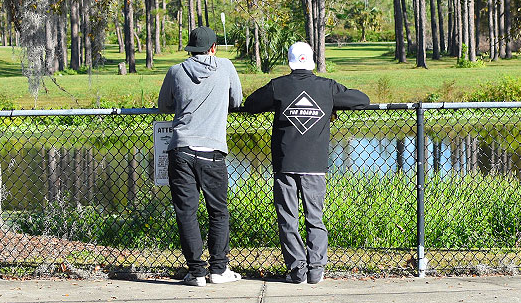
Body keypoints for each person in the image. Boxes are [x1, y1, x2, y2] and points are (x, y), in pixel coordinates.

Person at [243, 41, 370, 284]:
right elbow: (361, 99)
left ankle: (297, 271)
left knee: (287, 218)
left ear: (290, 62)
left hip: (285, 163)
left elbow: (251, 104)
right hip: (315, 165)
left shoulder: (278, 86)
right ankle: (316, 270)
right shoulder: (327, 87)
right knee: (315, 218)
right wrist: (332, 103)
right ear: (311, 61)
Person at [157, 26, 244, 286]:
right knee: (218, 211)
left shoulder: (175, 71)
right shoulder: (226, 67)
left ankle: (196, 272)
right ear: (213, 47)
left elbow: (164, 105)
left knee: (186, 212)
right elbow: (237, 100)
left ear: (190, 48)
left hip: (181, 149)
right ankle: (219, 269)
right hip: (213, 151)